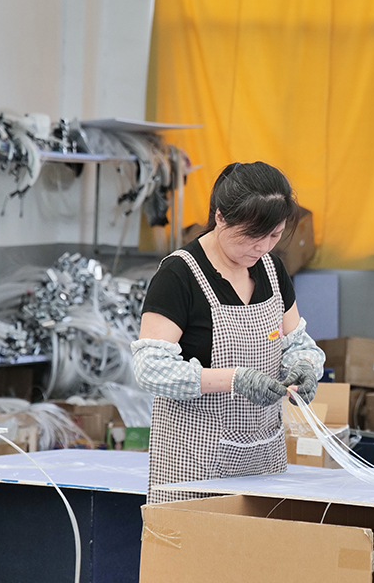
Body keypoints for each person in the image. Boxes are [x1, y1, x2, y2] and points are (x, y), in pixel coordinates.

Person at [131, 161, 325, 504]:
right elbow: (150, 368)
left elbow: (297, 343)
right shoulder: (179, 275)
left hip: (262, 460)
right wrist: (234, 379)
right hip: (193, 465)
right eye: (252, 235)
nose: (262, 247)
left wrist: (305, 366)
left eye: (274, 236)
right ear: (220, 217)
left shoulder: (272, 270)